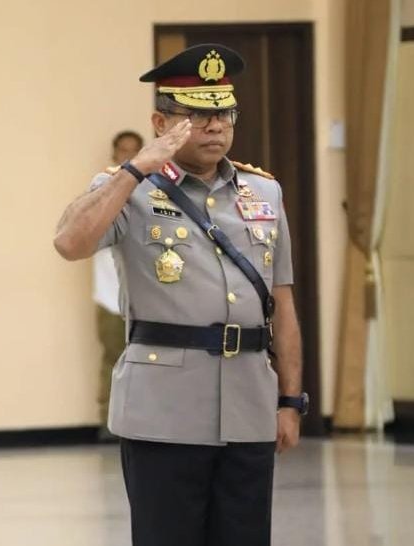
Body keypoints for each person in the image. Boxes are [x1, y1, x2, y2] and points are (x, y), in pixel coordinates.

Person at [53, 43, 308, 546]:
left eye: (224, 113)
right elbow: (69, 243)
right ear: (161, 121)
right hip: (163, 410)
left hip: (249, 405)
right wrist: (133, 170)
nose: (215, 126)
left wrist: (289, 401)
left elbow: (283, 304)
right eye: (197, 115)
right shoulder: (129, 187)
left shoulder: (263, 192)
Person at [95, 130, 143, 442]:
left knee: (146, 361)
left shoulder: (154, 190)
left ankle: (140, 423)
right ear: (114, 154)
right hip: (109, 296)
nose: (128, 155)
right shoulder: (102, 188)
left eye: (134, 150)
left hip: (145, 298)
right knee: (112, 358)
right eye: (123, 150)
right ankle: (108, 423)